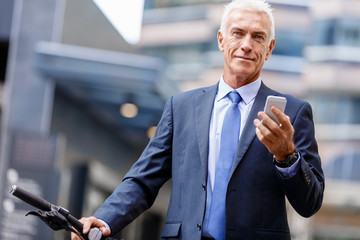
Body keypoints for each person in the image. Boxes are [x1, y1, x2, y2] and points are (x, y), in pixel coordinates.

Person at [71, 0, 325, 239]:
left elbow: (310, 203)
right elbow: (143, 179)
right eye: (238, 33)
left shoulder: (293, 113)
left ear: (269, 49)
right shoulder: (181, 107)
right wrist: (104, 219)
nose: (247, 45)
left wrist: (287, 156)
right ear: (221, 40)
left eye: (258, 37)